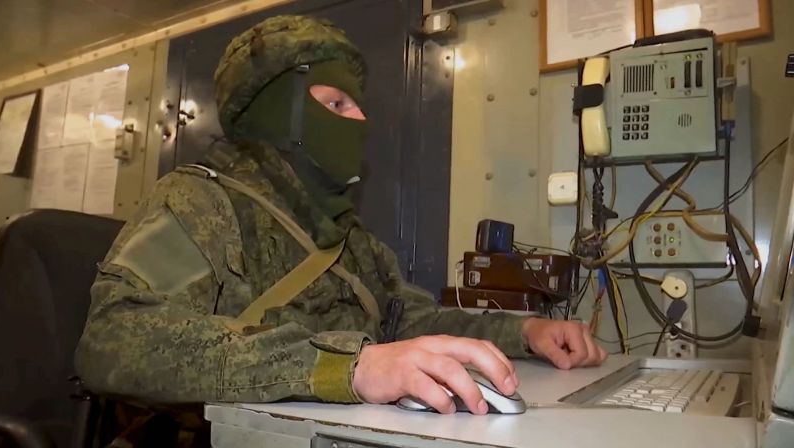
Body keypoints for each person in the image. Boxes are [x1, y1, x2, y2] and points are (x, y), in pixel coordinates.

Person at [75, 15, 607, 419]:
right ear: (278, 112)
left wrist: (525, 332)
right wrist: (349, 367)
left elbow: (409, 322)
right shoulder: (199, 201)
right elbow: (116, 338)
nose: (361, 121)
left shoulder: (347, 236)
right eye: (336, 105)